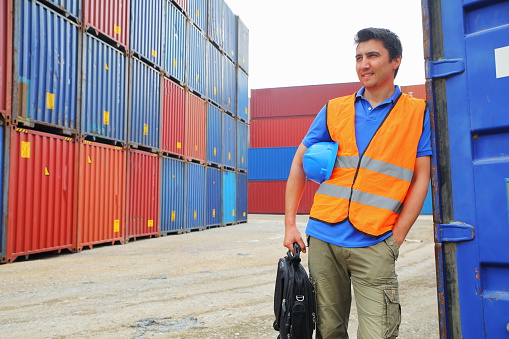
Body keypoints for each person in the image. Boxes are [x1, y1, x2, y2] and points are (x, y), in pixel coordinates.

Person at [283, 27, 431, 338]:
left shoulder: (417, 113)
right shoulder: (334, 109)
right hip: (324, 237)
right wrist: (290, 225)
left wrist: (396, 238)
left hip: (376, 241)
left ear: (395, 61)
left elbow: (421, 179)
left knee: (379, 333)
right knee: (327, 331)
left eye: (372, 55)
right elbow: (299, 163)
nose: (363, 64)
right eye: (359, 57)